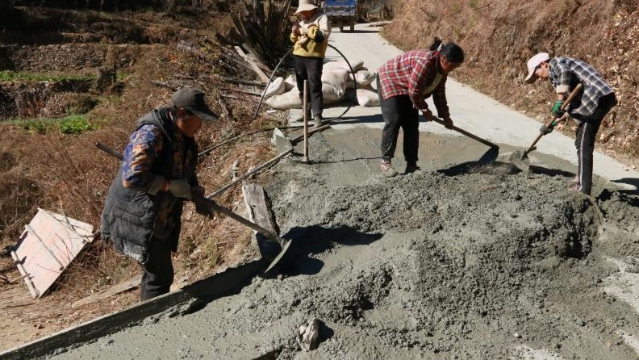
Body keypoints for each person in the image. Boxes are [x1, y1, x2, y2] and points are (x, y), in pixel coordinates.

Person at [100, 87, 217, 301]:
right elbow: (132, 178)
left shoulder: (185, 137)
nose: (201, 125)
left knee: (157, 274)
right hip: (136, 215)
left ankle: (150, 317)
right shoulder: (151, 135)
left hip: (157, 217)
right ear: (181, 113)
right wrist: (170, 186)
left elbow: (184, 171)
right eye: (198, 118)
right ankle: (151, 321)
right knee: (159, 275)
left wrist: (194, 191)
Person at [524, 52, 617, 196]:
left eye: (537, 74)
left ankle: (584, 189)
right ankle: (581, 177)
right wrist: (555, 121)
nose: (539, 79)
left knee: (584, 143)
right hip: (592, 101)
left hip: (597, 97)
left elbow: (564, 73)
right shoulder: (557, 78)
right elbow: (572, 102)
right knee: (580, 140)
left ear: (543, 64)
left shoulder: (556, 63)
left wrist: (559, 101)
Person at [377, 37, 464, 177]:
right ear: (444, 59)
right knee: (394, 119)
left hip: (408, 86)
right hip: (391, 80)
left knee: (411, 124)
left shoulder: (442, 72)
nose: (452, 70)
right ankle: (385, 162)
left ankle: (411, 165)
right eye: (452, 66)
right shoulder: (426, 62)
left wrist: (446, 116)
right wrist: (424, 109)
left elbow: (439, 94)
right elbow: (414, 91)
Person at [290, 0, 330, 128]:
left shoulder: (322, 18)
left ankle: (317, 116)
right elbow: (294, 40)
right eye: (301, 11)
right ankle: (306, 113)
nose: (302, 13)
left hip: (314, 58)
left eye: (304, 11)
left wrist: (305, 30)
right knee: (302, 87)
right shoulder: (302, 21)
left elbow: (321, 36)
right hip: (298, 56)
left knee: (314, 86)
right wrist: (294, 32)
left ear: (311, 9)